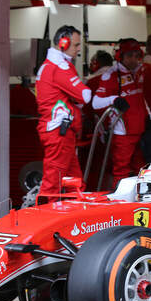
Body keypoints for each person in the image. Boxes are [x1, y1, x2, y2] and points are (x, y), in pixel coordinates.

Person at [34, 25, 92, 195]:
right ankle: (43, 219)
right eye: (76, 45)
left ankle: (75, 219)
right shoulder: (59, 67)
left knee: (75, 183)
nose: (79, 49)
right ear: (63, 43)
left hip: (61, 132)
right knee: (53, 184)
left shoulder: (51, 65)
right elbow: (85, 95)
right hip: (58, 133)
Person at [93, 38, 147, 186]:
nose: (134, 60)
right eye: (129, 56)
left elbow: (144, 99)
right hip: (122, 131)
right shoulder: (110, 75)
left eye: (137, 56)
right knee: (121, 170)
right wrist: (113, 99)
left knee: (141, 169)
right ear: (120, 56)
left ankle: (139, 203)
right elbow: (95, 102)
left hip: (140, 129)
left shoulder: (141, 72)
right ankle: (120, 203)